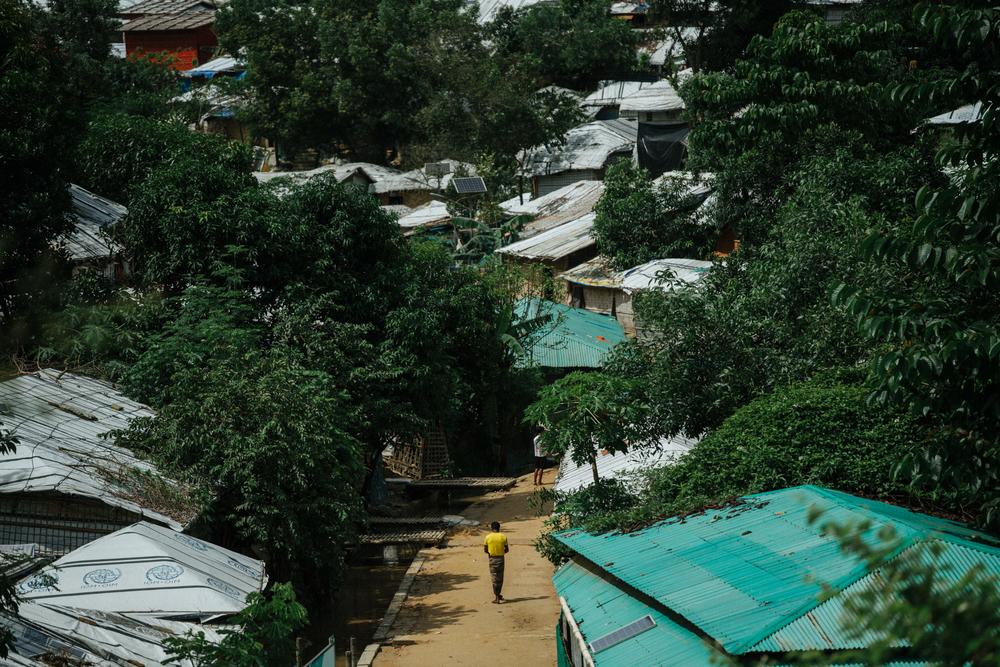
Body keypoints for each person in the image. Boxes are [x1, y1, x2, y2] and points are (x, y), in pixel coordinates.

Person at [483, 520, 509, 604]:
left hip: (492, 559)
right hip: (501, 559)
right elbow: (507, 550)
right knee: (500, 578)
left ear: (491, 528)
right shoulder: (503, 537)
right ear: (499, 528)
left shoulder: (487, 537)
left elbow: (485, 550)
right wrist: (500, 552)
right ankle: (498, 594)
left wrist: (490, 554)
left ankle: (497, 596)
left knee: (494, 578)